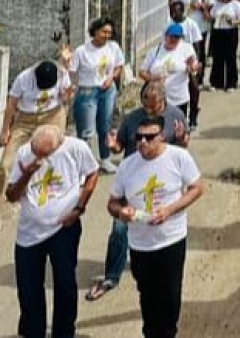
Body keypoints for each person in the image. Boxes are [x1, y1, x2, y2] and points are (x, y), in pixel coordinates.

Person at [85, 81, 190, 302]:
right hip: (132, 182)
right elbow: (120, 145)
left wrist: (182, 137)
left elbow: (183, 147)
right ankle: (111, 276)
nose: (148, 110)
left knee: (160, 231)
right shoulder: (132, 118)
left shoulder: (175, 115)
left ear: (163, 101)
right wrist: (113, 146)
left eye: (153, 106)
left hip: (162, 186)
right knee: (119, 229)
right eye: (145, 104)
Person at [107, 115, 204, 338]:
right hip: (140, 246)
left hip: (171, 240)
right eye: (139, 137)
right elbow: (112, 203)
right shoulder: (127, 166)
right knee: (148, 299)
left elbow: (197, 188)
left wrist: (170, 210)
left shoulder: (178, 157)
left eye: (149, 137)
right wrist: (121, 212)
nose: (143, 142)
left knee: (170, 298)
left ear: (161, 136)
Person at [6, 125, 97, 338]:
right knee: (28, 289)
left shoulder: (76, 148)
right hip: (29, 233)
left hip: (64, 228)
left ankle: (64, 332)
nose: (39, 158)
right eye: (36, 152)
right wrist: (27, 174)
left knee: (65, 284)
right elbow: (11, 196)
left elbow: (92, 174)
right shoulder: (24, 153)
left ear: (59, 144)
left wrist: (79, 208)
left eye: (45, 154)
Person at [1, 54, 73, 191]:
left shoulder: (62, 74)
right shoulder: (23, 78)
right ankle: (4, 194)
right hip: (25, 119)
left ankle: (55, 188)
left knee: (54, 154)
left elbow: (68, 91)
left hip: (52, 115)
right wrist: (5, 131)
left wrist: (65, 97)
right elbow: (11, 105)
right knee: (6, 163)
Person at [69, 16, 126, 173]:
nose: (106, 35)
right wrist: (75, 88)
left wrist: (111, 78)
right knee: (86, 131)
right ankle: (84, 165)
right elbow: (72, 72)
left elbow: (119, 66)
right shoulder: (82, 51)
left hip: (107, 90)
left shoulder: (113, 47)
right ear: (94, 31)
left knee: (105, 126)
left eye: (109, 33)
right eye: (103, 32)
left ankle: (105, 159)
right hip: (87, 91)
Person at [139, 24, 200, 116]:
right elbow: (142, 72)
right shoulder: (155, 51)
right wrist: (153, 78)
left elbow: (193, 66)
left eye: (177, 37)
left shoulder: (186, 49)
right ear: (166, 36)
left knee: (177, 123)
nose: (173, 39)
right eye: (171, 36)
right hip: (157, 100)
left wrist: (191, 66)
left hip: (179, 98)